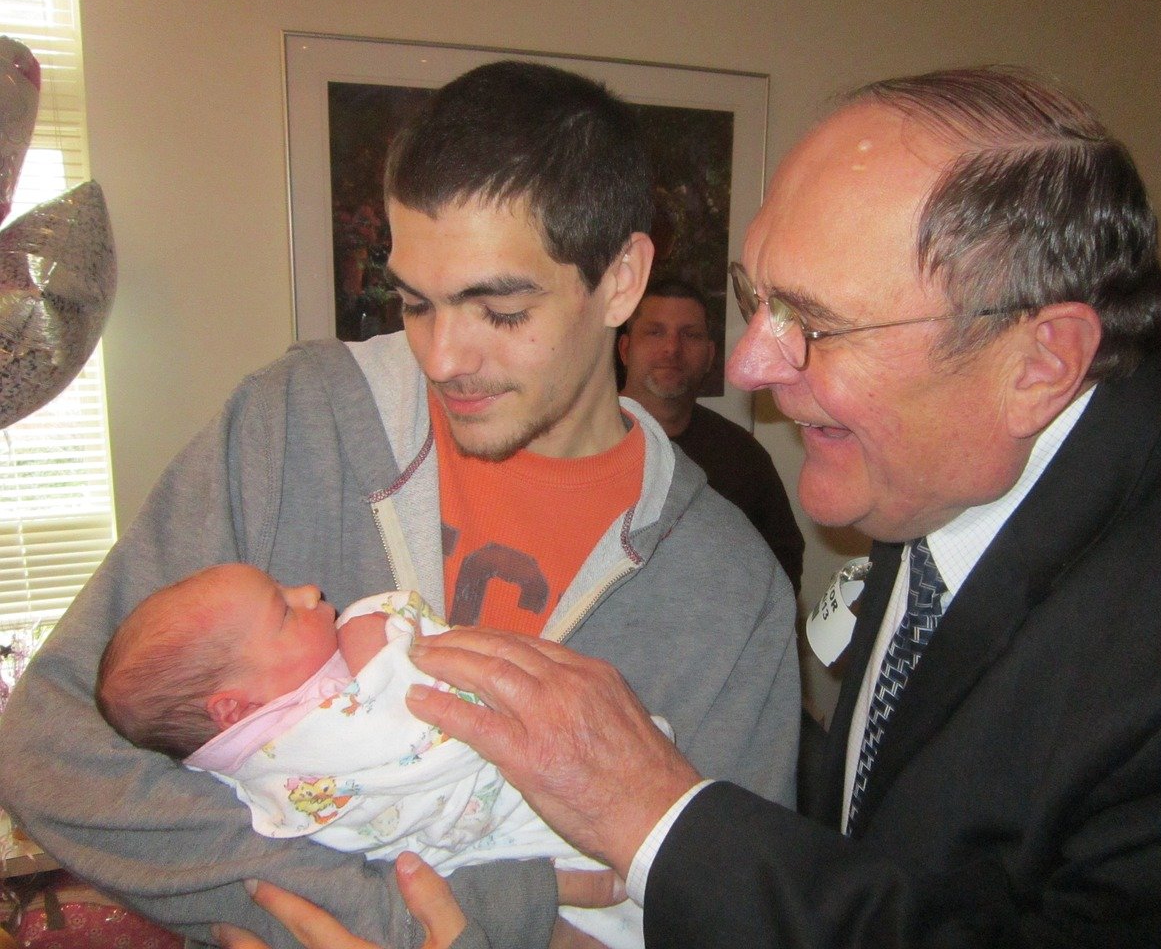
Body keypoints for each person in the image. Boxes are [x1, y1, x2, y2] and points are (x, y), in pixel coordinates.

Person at [370, 65, 1161, 947]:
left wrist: (656, 815)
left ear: (1039, 364)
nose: (748, 366)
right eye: (756, 299)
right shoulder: (939, 454)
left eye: (816, 324)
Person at [0, 59, 800, 949]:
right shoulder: (295, 424)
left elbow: (733, 921)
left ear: (620, 278)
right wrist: (398, 920)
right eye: (415, 303)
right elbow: (50, 748)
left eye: (499, 311)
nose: (442, 358)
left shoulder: (730, 595)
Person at [95, 563, 647, 949]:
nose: (309, 591)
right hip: (536, 850)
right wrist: (379, 639)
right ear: (234, 708)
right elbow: (427, 736)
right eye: (284, 612)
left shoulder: (238, 769)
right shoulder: (299, 746)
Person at [618, 278, 804, 592]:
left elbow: (782, 570)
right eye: (655, 332)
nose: (672, 349)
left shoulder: (743, 458)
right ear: (625, 350)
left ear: (709, 355)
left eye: (690, 335)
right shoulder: (577, 443)